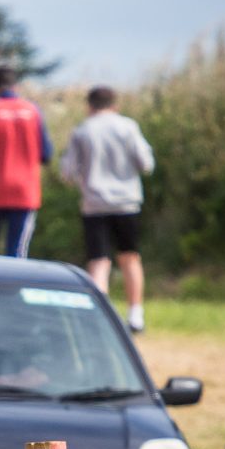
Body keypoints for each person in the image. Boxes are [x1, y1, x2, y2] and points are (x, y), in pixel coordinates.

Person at [59, 85, 155, 333]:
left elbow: (67, 172)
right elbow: (146, 163)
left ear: (89, 106)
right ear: (115, 105)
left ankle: (99, 318)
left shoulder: (83, 130)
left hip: (94, 203)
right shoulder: (128, 127)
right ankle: (136, 316)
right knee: (130, 257)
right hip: (126, 202)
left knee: (99, 262)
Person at [0, 63, 54, 258]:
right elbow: (46, 154)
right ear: (16, 86)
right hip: (25, 190)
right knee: (17, 252)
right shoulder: (33, 111)